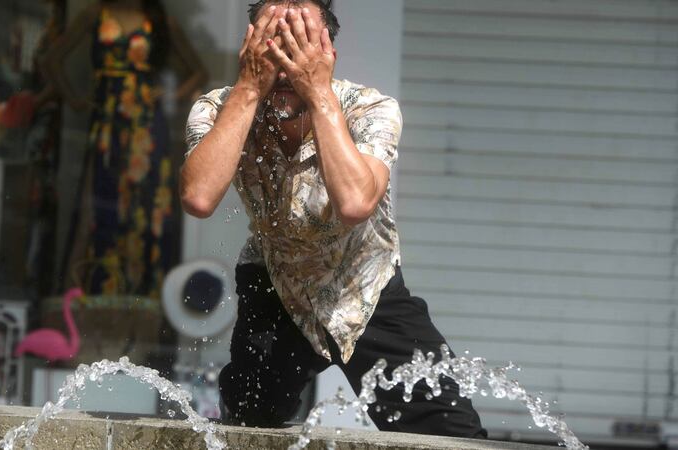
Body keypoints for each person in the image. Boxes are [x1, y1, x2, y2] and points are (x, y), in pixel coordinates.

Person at [181, 0, 486, 439]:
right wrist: (249, 88)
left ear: (327, 55)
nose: (286, 66)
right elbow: (198, 196)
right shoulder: (219, 109)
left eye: (300, 46)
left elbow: (356, 202)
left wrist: (318, 94)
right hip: (277, 285)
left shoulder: (370, 109)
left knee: (453, 434)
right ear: (250, 49)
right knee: (244, 429)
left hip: (363, 286)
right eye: (273, 46)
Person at [43, 0, 208, 297]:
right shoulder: (95, 14)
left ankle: (143, 301)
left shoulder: (158, 20)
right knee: (99, 200)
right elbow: (52, 60)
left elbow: (198, 71)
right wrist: (75, 100)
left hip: (146, 127)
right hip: (108, 124)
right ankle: (92, 295)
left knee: (146, 207)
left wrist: (171, 94)